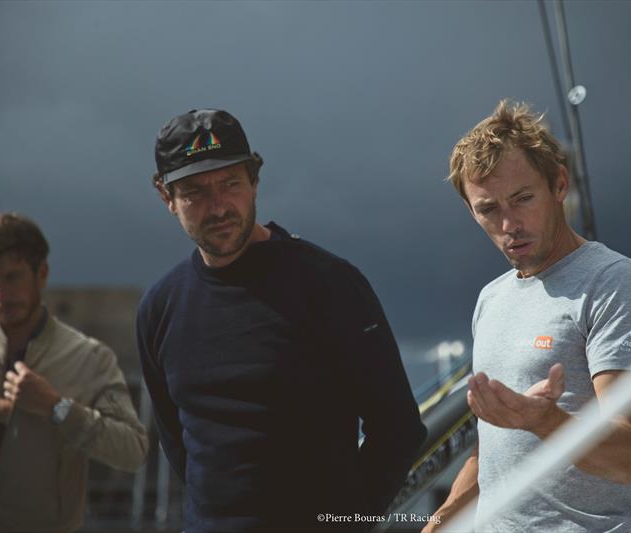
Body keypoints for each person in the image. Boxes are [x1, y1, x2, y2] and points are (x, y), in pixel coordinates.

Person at [138, 108, 426, 532]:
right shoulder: (159, 309)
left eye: (230, 184)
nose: (218, 207)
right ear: (166, 197)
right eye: (195, 193)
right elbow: (177, 445)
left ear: (254, 180)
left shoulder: (330, 283)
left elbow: (398, 431)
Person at [425, 100, 631, 532]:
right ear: (470, 210)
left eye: (522, 199)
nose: (508, 224)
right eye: (488, 209)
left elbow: (624, 455)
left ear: (559, 184)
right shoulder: (491, 299)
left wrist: (541, 420)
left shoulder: (616, 284)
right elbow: (494, 452)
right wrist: (437, 523)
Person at [0, 213, 148, 532]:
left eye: (12, 277)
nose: (0, 295)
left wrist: (57, 408)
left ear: (41, 274)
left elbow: (132, 450)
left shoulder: (90, 358)